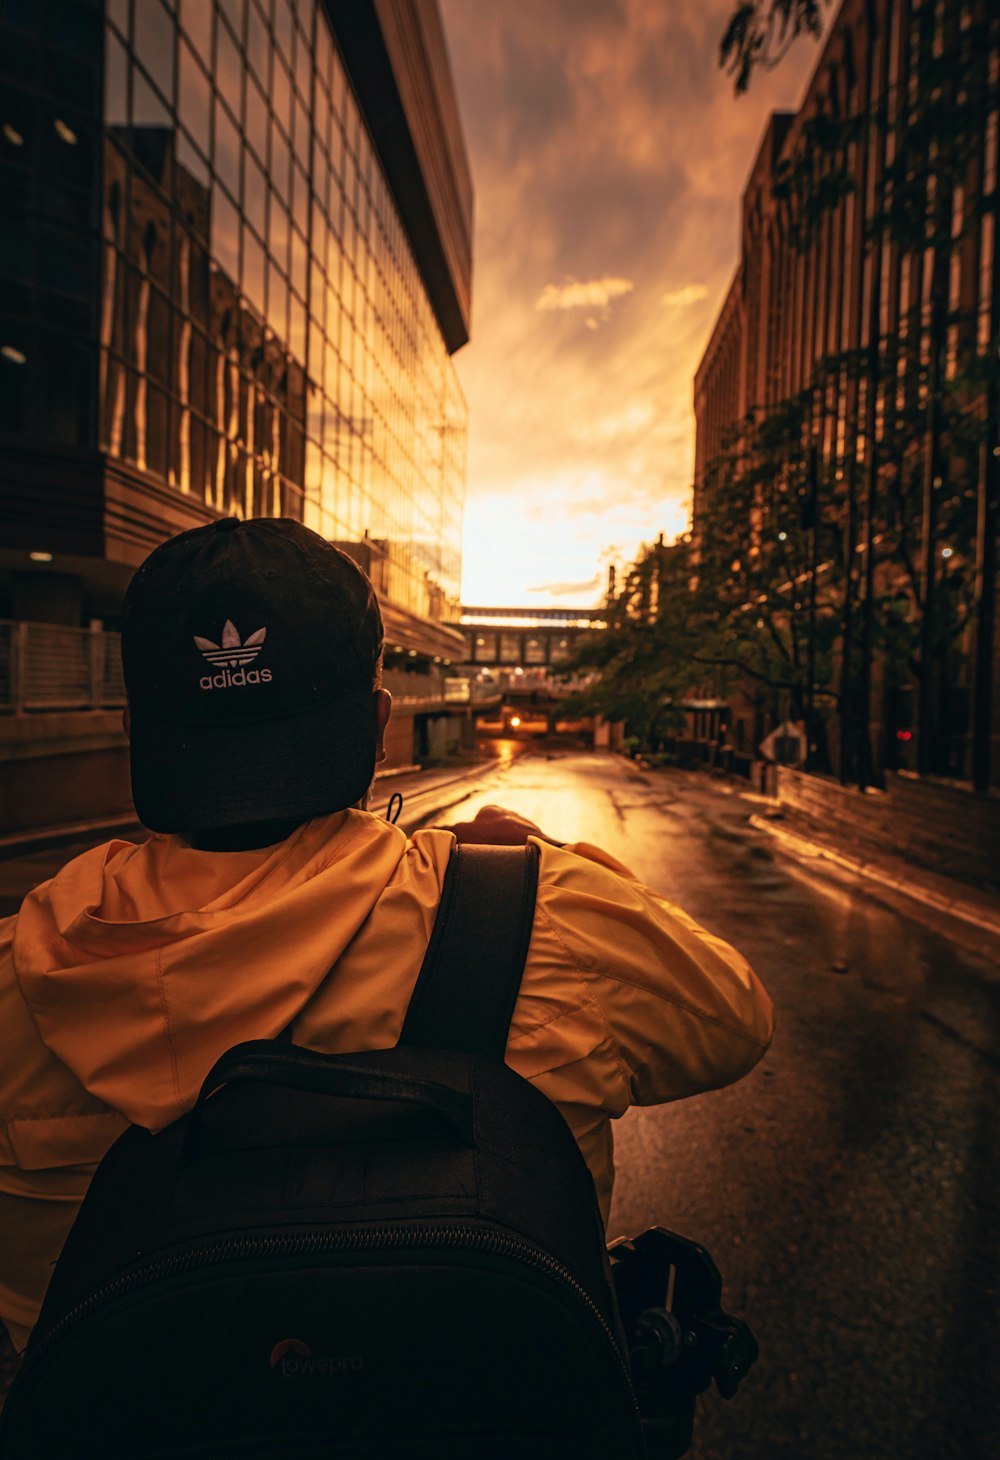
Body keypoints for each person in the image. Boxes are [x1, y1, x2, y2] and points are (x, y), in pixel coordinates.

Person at [0, 516, 773, 1354]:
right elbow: (735, 1019)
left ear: (132, 733)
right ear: (376, 725)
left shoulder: (20, 976)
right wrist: (541, 861)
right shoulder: (543, 923)